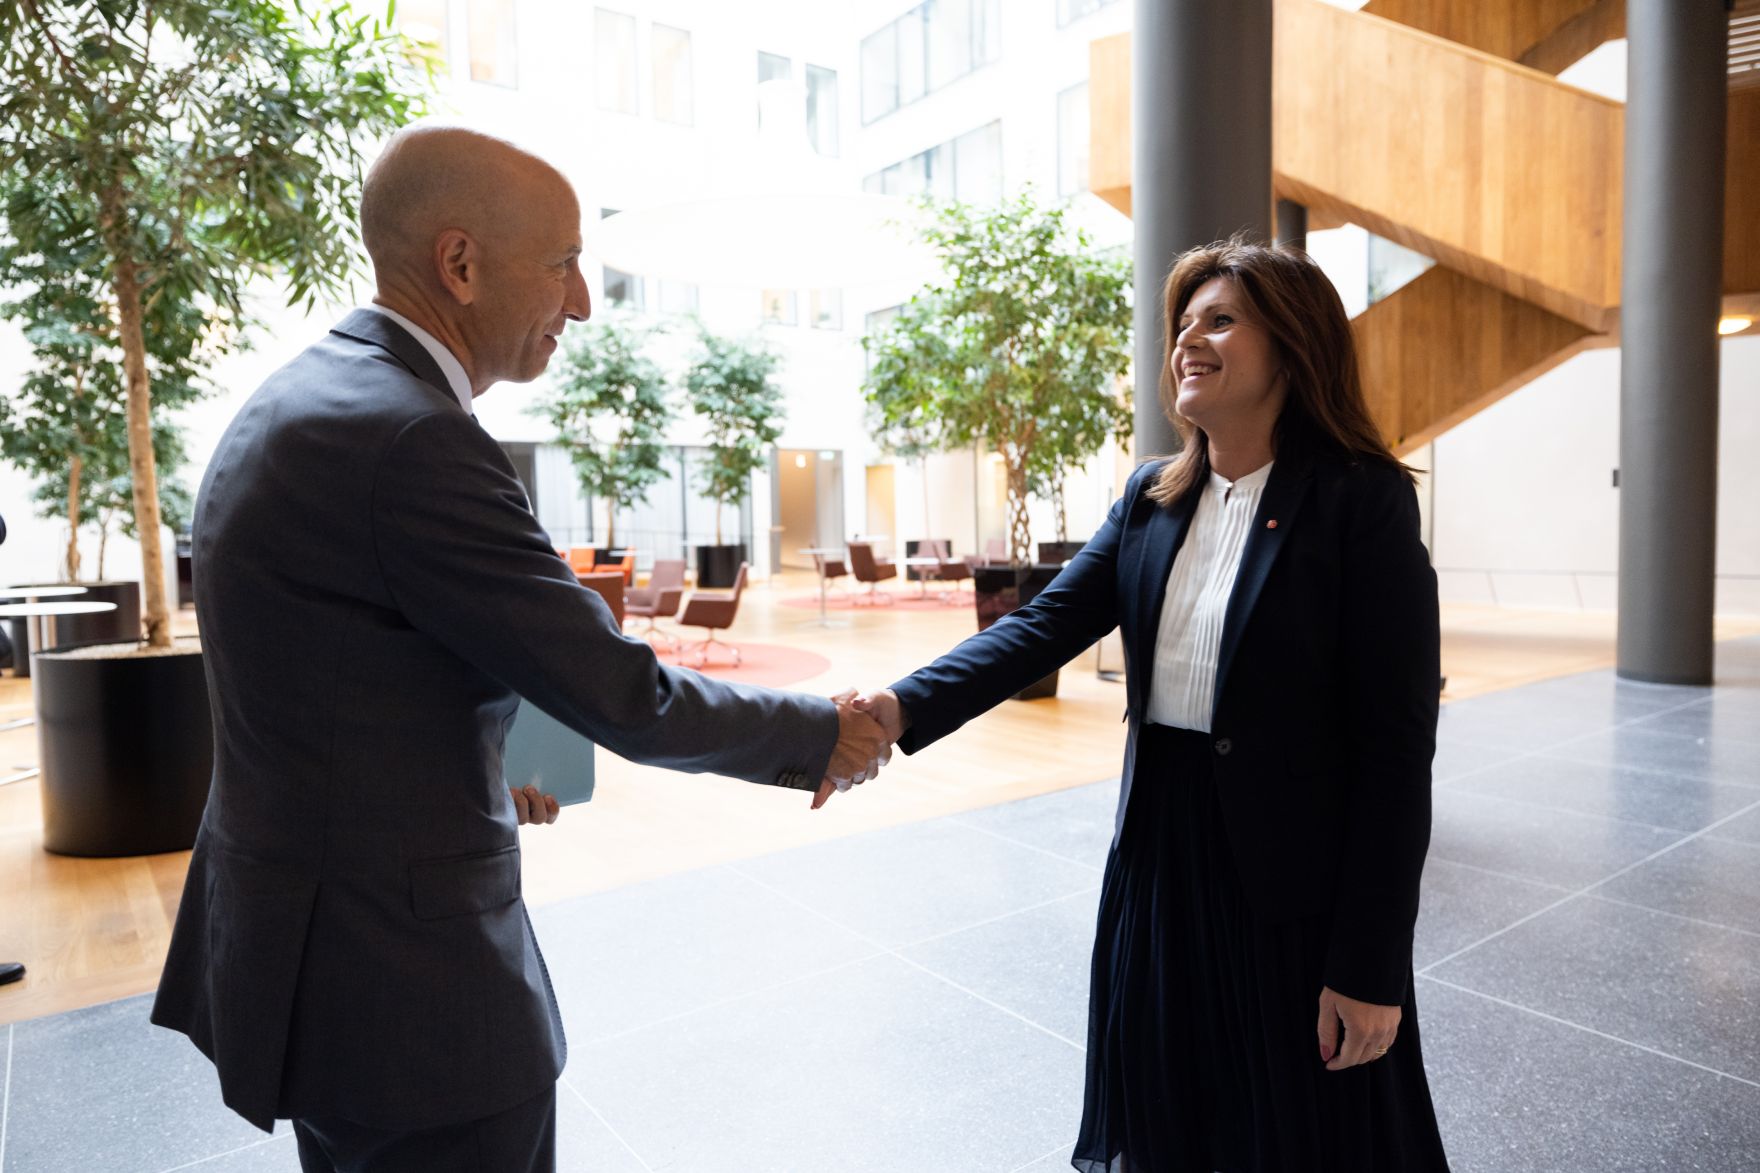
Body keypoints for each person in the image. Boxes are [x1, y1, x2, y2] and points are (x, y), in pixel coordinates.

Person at [151, 126, 890, 1173]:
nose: (581, 301)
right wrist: (824, 735)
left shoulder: (303, 396)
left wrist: (480, 757)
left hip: (315, 948)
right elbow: (617, 691)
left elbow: (338, 669)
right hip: (404, 988)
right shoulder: (413, 438)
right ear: (460, 265)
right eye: (561, 263)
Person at [855, 238, 1450, 1171]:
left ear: (1292, 347)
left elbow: (1394, 750)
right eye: (1182, 326)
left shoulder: (1357, 503)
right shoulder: (1151, 497)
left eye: (1220, 320)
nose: (1189, 342)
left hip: (1289, 882)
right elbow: (1041, 626)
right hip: (1161, 857)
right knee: (1173, 1109)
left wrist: (1370, 964)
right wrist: (896, 708)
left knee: (1297, 1129)